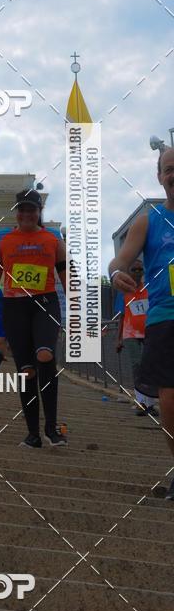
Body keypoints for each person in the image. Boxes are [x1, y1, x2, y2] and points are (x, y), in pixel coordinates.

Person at [108, 147, 174, 499]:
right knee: (170, 399)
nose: (173, 174)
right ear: (160, 177)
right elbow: (118, 260)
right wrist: (117, 272)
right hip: (165, 318)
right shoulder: (148, 221)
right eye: (168, 169)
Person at [0, 189, 67, 448]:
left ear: (38, 211)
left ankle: (52, 429)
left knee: (44, 354)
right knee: (26, 371)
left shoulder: (53, 238)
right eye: (22, 209)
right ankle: (33, 434)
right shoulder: (3, 238)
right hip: (14, 306)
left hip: (45, 303)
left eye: (31, 209)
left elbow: (66, 274)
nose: (26, 214)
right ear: (17, 212)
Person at [114, 260, 158, 417]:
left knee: (151, 365)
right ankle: (141, 402)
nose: (138, 272)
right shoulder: (123, 292)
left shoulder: (149, 289)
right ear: (129, 271)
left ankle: (150, 404)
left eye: (141, 269)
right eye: (135, 269)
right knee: (137, 364)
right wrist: (118, 339)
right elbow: (121, 316)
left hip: (150, 332)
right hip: (130, 333)